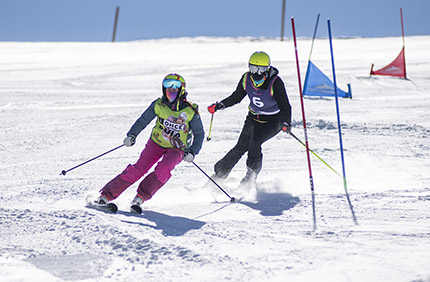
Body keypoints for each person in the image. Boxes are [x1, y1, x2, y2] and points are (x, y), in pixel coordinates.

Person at [96, 73, 204, 212]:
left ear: (181, 89)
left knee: (164, 169)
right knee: (138, 169)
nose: (170, 90)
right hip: (156, 143)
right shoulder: (158, 105)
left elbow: (199, 134)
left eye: (175, 86)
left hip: (177, 148)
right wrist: (132, 135)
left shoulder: (190, 110)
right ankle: (106, 195)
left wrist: (192, 151)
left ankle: (141, 197)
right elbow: (143, 120)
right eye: (167, 86)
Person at [207, 51, 291, 187]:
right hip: (253, 119)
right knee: (240, 147)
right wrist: (220, 105)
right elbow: (236, 97)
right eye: (253, 68)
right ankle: (219, 176)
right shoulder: (246, 79)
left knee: (255, 142)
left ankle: (250, 176)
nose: (257, 73)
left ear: (267, 69)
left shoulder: (275, 82)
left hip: (272, 122)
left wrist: (286, 122)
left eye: (261, 69)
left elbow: (285, 106)